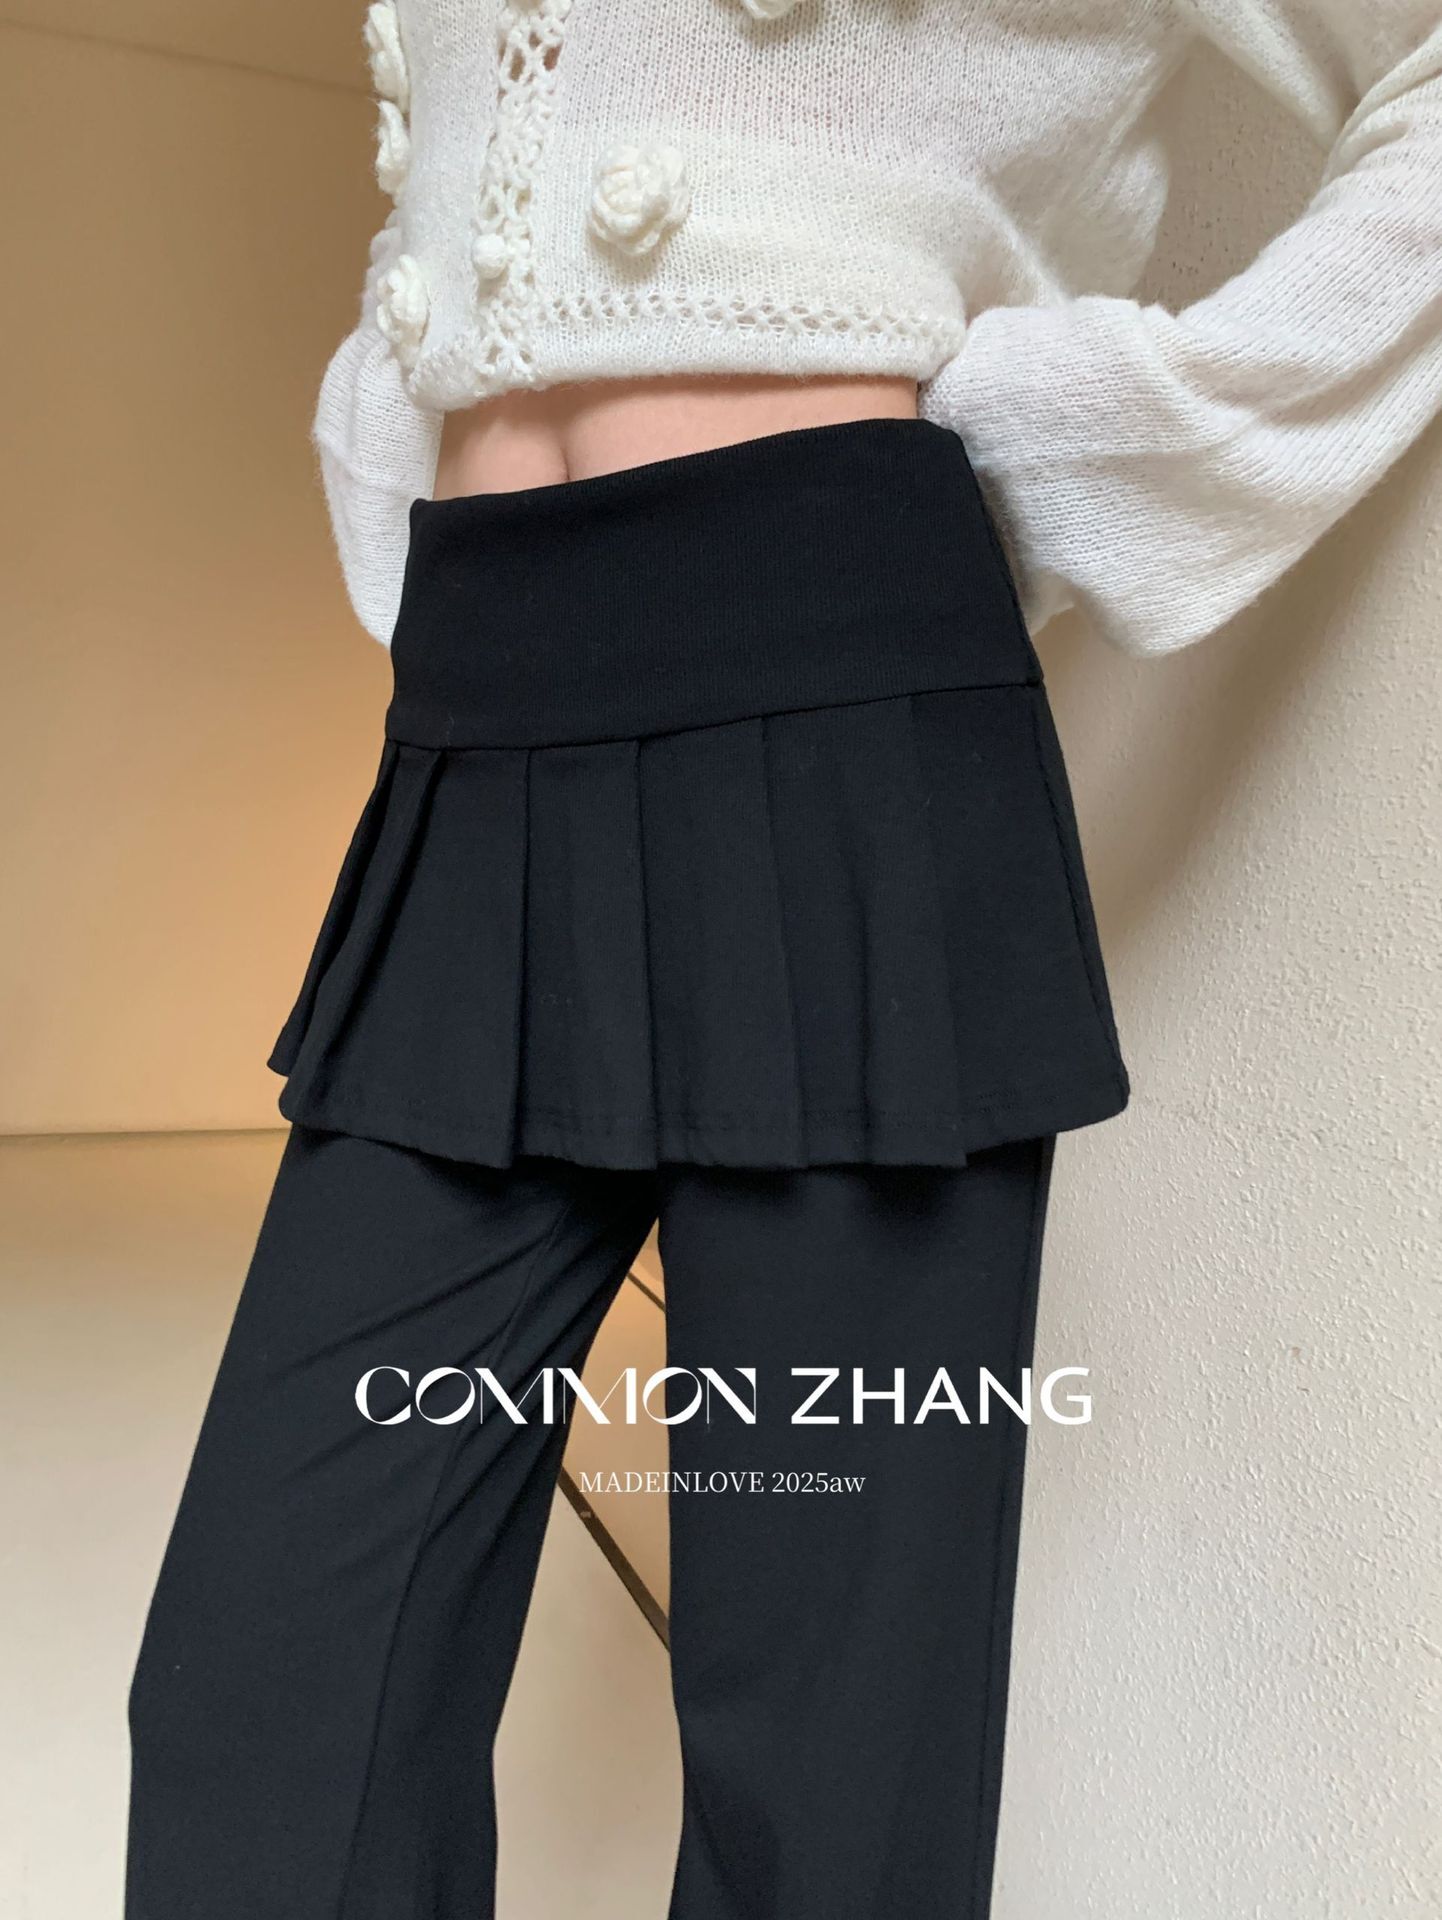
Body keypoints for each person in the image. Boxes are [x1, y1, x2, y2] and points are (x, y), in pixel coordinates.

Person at [125, 4, 1442, 1917]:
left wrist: (1143, 429)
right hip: (482, 707)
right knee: (262, 1696)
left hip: (835, 687)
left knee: (828, 1764)